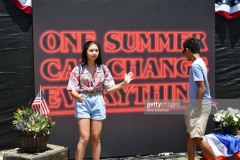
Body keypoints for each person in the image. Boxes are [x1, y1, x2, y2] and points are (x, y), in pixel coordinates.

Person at [67, 41, 134, 160]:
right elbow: (72, 89)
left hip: (98, 100)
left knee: (96, 138)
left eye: (96, 50)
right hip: (83, 100)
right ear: (85, 52)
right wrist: (77, 96)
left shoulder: (103, 69)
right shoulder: (77, 69)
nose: (94, 53)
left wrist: (124, 83)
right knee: (84, 137)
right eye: (91, 50)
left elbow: (109, 89)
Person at [182, 37, 216, 160]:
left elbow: (201, 88)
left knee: (197, 138)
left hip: (200, 105)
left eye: (184, 52)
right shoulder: (200, 62)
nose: (184, 55)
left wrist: (196, 107)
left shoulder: (195, 65)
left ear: (187, 50)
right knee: (190, 136)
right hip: (199, 103)